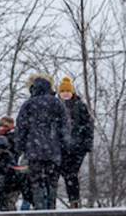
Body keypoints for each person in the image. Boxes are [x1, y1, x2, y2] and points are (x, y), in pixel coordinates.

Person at [14, 74, 70, 210]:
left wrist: (18, 149)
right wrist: (65, 147)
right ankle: (51, 208)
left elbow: (21, 129)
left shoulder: (28, 105)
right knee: (52, 182)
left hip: (33, 150)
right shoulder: (57, 103)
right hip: (53, 150)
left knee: (36, 183)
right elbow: (65, 126)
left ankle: (39, 209)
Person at [58, 77, 94, 209]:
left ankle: (74, 200)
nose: (66, 93)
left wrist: (87, 144)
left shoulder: (80, 106)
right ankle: (68, 199)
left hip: (77, 147)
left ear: (72, 92)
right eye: (63, 91)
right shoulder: (56, 106)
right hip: (61, 147)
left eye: (68, 91)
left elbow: (88, 126)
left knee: (72, 173)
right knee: (63, 173)